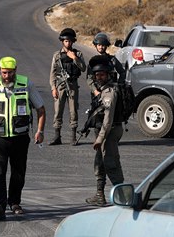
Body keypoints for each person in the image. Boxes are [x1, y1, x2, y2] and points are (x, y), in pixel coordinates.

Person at [0, 56, 46, 221]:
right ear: (0, 71)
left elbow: (41, 109)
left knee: (18, 172)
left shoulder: (26, 84)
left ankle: (14, 202)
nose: (7, 76)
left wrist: (40, 131)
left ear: (16, 71)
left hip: (20, 137)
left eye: (10, 73)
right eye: (4, 72)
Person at [85, 64, 124, 207]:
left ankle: (123, 197)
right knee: (99, 164)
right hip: (105, 130)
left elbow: (108, 120)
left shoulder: (109, 93)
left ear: (108, 75)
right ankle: (99, 195)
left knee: (111, 164)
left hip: (109, 132)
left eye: (102, 75)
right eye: (97, 75)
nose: (99, 77)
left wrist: (100, 139)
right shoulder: (102, 90)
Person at [48, 28, 86, 146]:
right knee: (58, 111)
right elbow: (53, 73)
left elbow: (83, 68)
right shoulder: (57, 55)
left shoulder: (78, 54)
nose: (68, 43)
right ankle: (57, 136)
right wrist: (53, 88)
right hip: (60, 85)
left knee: (73, 111)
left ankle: (73, 137)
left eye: (70, 41)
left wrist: (74, 58)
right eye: (66, 41)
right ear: (62, 42)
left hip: (73, 85)